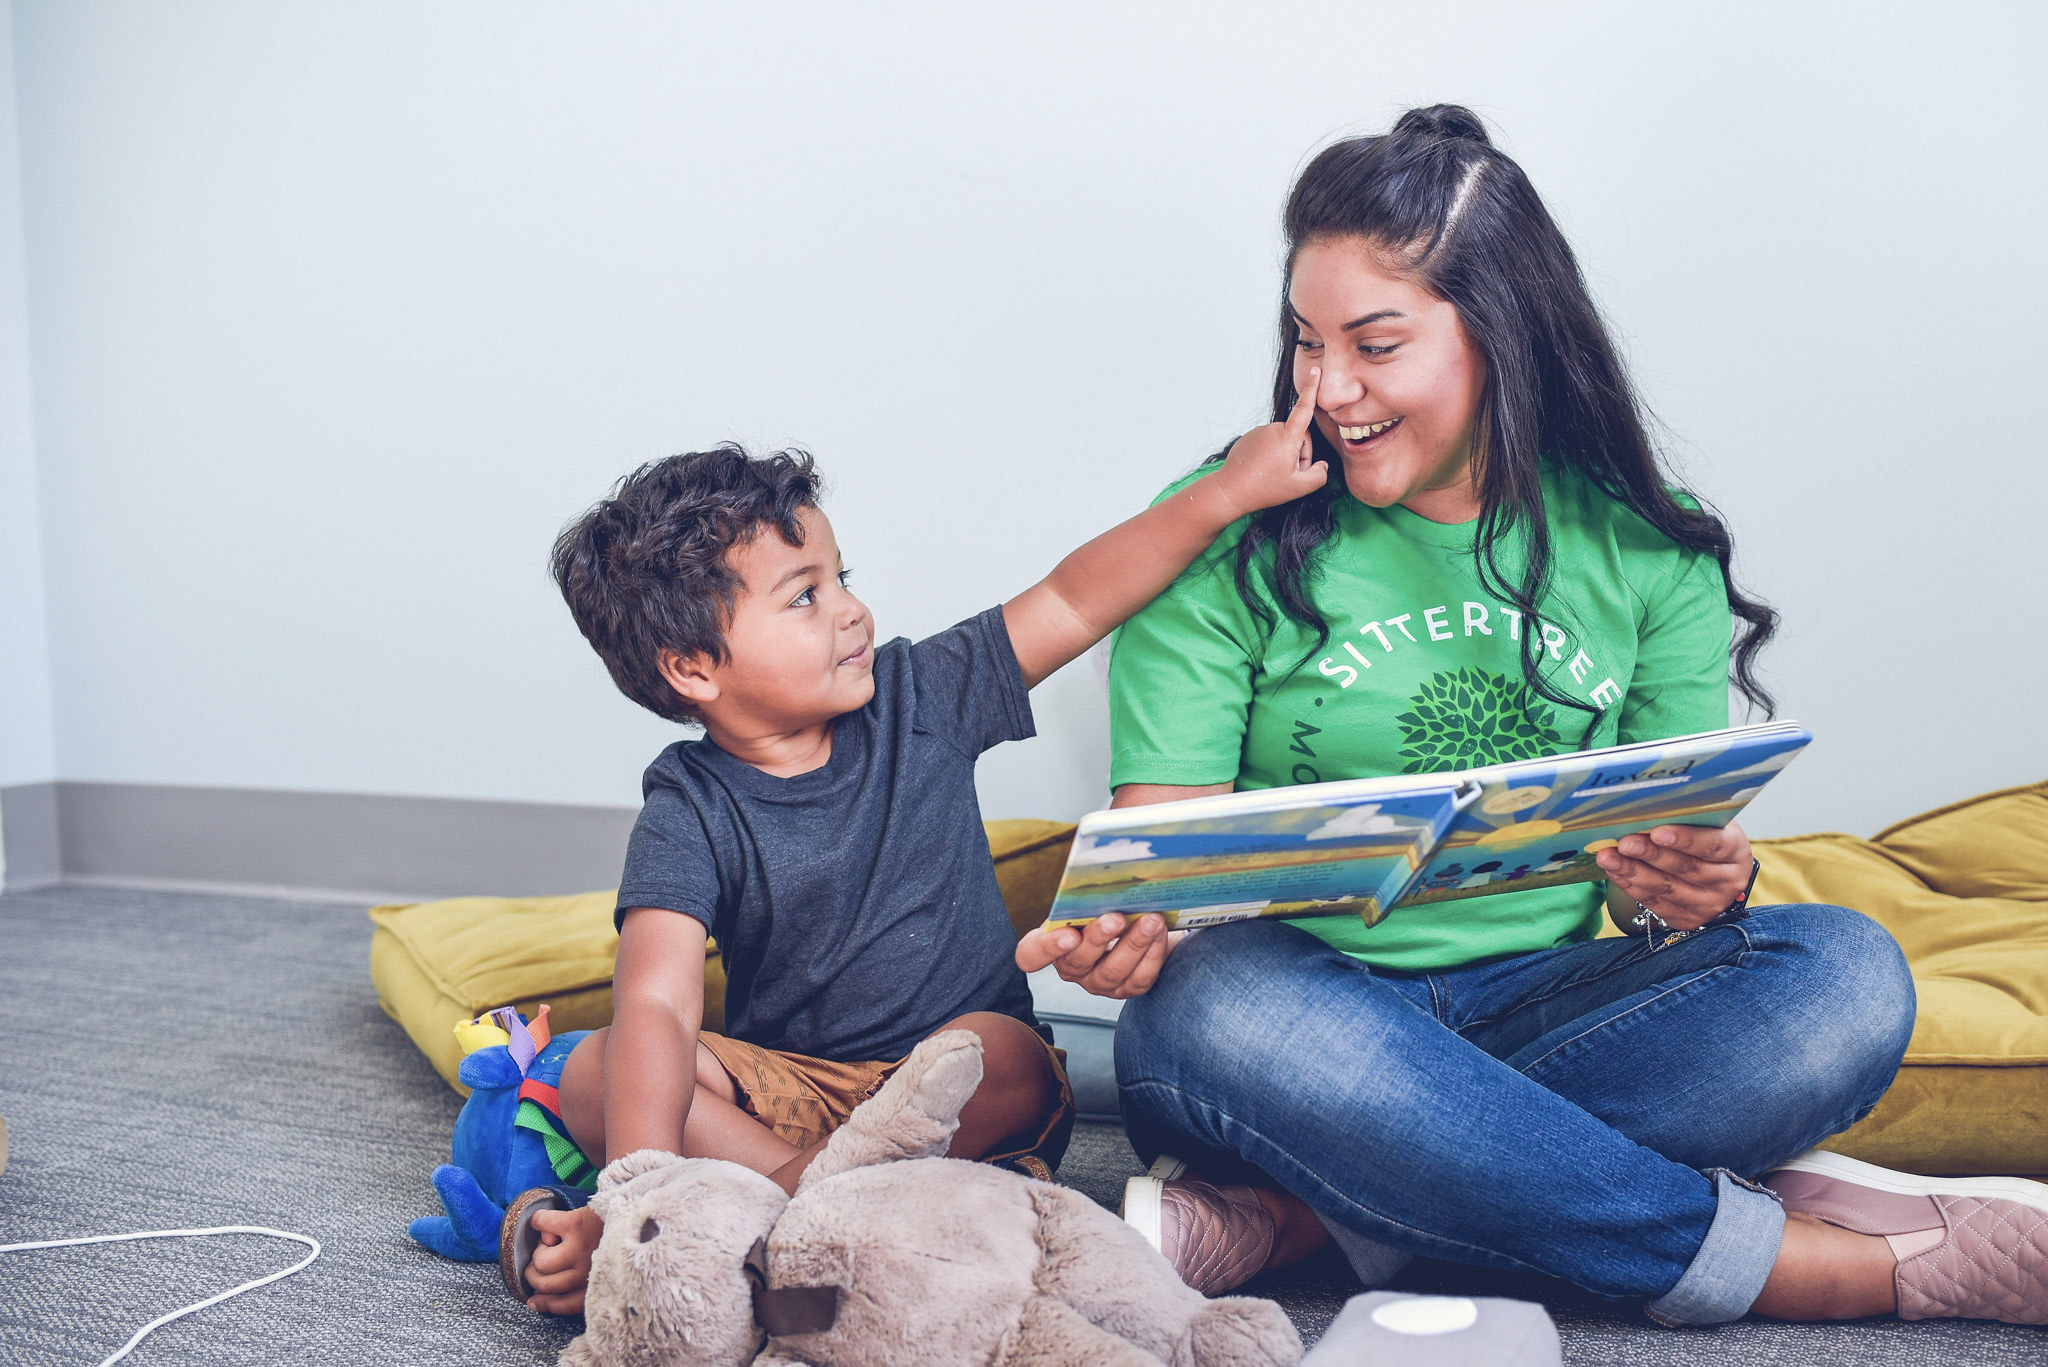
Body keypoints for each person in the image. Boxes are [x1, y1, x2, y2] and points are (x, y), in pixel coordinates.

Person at [1017, 105, 2048, 1327]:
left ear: (1498, 336)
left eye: (1373, 343)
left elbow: (1647, 886)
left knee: (1844, 976)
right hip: (1286, 1019)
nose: (1327, 387)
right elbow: (1168, 858)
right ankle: (1815, 1267)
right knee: (1209, 997)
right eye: (1305, 343)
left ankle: (1313, 1215)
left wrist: (1685, 886)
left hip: (1551, 995)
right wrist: (1128, 929)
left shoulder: (1643, 544)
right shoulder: (1222, 527)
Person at [516, 413, 1328, 1314]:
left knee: (993, 1051)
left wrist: (1225, 495)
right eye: (803, 597)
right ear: (695, 668)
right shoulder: (687, 805)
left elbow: (1070, 600)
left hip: (963, 1098)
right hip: (795, 1096)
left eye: (840, 580)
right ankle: (763, 1225)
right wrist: (638, 1195)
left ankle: (739, 1232)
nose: (852, 610)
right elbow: (659, 1001)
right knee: (595, 1065)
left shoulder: (921, 695)